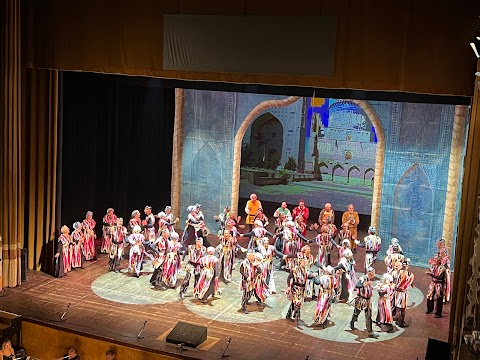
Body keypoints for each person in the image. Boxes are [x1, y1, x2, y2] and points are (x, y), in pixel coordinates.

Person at [285, 254, 318, 324]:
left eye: (305, 260)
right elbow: (289, 278)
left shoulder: (305, 270)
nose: (305, 262)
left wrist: (314, 275)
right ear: (300, 261)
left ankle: (289, 314)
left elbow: (308, 275)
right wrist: (288, 286)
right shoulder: (295, 269)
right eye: (304, 261)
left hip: (302, 289)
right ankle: (297, 317)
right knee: (297, 302)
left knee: (295, 302)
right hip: (296, 288)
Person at [349, 266, 378, 338]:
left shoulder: (369, 280)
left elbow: (368, 289)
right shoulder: (363, 278)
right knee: (356, 313)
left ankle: (370, 332)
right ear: (370, 273)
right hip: (361, 300)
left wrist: (375, 287)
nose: (374, 274)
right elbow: (357, 285)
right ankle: (352, 322)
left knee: (368, 316)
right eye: (373, 273)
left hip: (368, 300)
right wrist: (365, 284)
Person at [392, 258, 415, 327]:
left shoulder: (397, 272)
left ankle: (397, 318)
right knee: (402, 307)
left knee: (398, 306)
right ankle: (400, 321)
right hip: (401, 293)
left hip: (397, 292)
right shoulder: (408, 274)